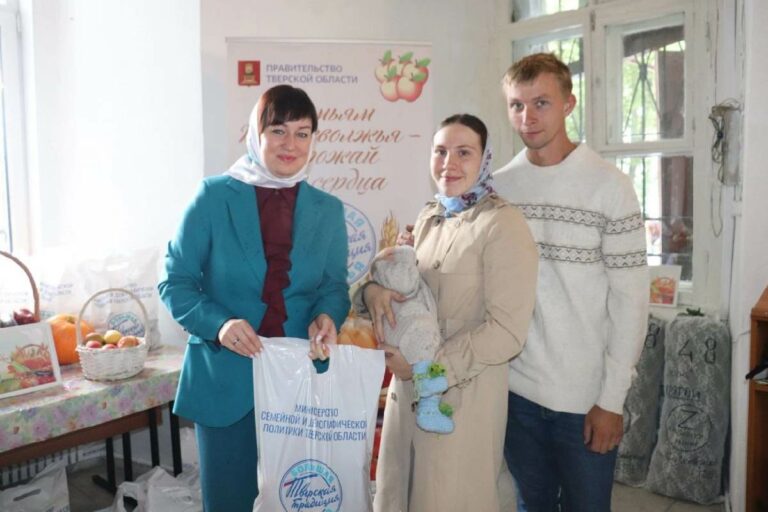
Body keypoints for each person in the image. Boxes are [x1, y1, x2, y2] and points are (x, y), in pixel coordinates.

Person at [158, 84, 350, 512]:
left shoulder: (328, 209)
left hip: (300, 379)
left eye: (302, 133)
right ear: (254, 134)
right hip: (225, 379)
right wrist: (219, 325)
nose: (290, 144)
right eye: (278, 130)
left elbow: (334, 287)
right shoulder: (213, 197)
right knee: (229, 503)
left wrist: (327, 315)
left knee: (301, 501)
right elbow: (175, 281)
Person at [359, 114, 538, 512]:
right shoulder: (430, 217)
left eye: (463, 153)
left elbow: (507, 332)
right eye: (440, 151)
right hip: (408, 394)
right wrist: (372, 292)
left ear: (485, 160)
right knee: (400, 495)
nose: (448, 163)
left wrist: (428, 371)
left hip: (462, 397)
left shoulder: (503, 224)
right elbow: (405, 287)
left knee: (449, 498)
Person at [495, 53, 649, 511]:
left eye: (541, 103)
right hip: (516, 394)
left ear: (568, 103)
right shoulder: (500, 188)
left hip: (586, 400)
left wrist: (612, 400)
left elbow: (631, 301)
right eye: (517, 105)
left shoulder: (610, 186)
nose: (528, 117)